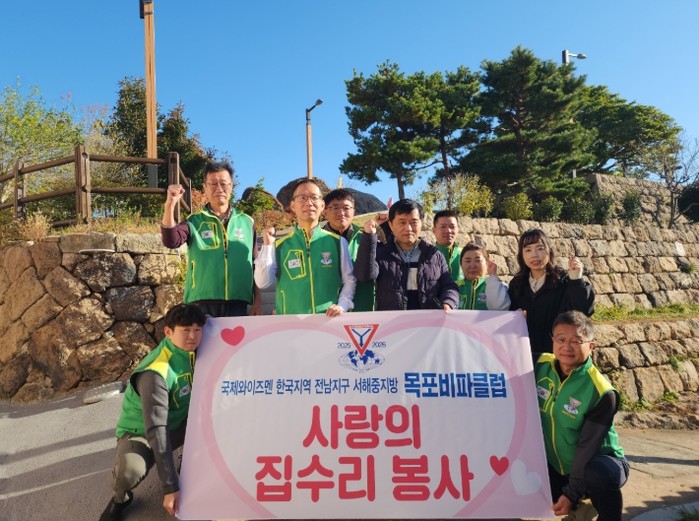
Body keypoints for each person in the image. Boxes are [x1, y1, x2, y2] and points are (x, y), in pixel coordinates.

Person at [99, 304, 207, 521]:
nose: (193, 336)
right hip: (143, 433)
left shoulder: (197, 351)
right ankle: (120, 498)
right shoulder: (156, 373)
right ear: (168, 332)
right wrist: (170, 486)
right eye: (185, 330)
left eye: (197, 330)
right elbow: (157, 431)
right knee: (130, 472)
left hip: (180, 422)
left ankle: (188, 462)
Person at [537, 311, 628, 521]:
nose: (567, 347)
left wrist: (572, 493)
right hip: (557, 467)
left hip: (599, 462)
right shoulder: (539, 365)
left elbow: (587, 447)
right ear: (552, 340)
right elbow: (507, 354)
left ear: (591, 346)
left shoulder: (602, 392)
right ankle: (581, 509)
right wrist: (512, 322)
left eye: (576, 341)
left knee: (598, 474)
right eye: (561, 339)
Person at [161, 161, 258, 317]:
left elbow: (255, 264)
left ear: (231, 186)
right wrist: (170, 205)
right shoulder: (194, 221)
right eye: (213, 184)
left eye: (224, 184)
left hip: (238, 301)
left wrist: (258, 300)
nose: (219, 189)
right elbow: (171, 241)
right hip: (201, 300)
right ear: (205, 187)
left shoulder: (247, 222)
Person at [254, 178, 355, 316]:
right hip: (290, 322)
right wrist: (267, 246)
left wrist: (342, 305)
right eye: (302, 198)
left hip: (328, 321)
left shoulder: (338, 242)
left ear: (322, 205)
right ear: (293, 205)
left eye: (314, 197)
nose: (309, 203)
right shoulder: (279, 245)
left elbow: (349, 281)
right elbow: (263, 282)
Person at [354, 198, 459, 311]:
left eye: (414, 222)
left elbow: (449, 286)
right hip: (392, 320)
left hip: (428, 320)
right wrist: (369, 237)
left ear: (421, 223)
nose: (408, 228)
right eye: (402, 222)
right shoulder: (382, 253)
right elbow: (365, 276)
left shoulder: (434, 255)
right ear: (390, 225)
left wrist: (448, 301)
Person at [509, 228, 595, 356]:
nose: (534, 255)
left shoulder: (564, 281)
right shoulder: (517, 284)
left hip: (558, 355)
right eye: (528, 250)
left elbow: (582, 312)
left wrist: (576, 280)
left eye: (540, 248)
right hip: (525, 353)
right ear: (521, 255)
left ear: (549, 251)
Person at [322, 188, 375, 311]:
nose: (341, 213)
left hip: (362, 310)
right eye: (335, 208)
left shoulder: (367, 238)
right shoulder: (315, 241)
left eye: (346, 208)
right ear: (325, 212)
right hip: (326, 312)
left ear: (354, 211)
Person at [457, 242, 510, 310]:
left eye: (477, 260)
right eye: (468, 261)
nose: (472, 265)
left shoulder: (498, 287)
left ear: (487, 263)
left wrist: (492, 278)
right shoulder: (454, 288)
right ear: (461, 264)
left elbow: (499, 309)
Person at [432, 210, 464, 283]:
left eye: (452, 227)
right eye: (443, 227)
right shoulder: (427, 256)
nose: (448, 231)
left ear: (458, 230)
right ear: (434, 230)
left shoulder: (465, 255)